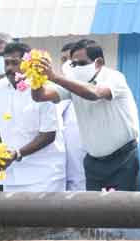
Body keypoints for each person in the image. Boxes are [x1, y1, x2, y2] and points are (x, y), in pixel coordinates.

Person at [31, 39, 140, 192]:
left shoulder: (114, 77)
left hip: (122, 159)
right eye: (74, 64)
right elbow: (40, 96)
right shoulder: (74, 83)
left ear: (99, 62)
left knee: (124, 211)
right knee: (94, 213)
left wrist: (54, 77)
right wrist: (36, 77)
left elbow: (94, 93)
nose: (77, 68)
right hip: (93, 162)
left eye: (82, 63)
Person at [0, 42, 65, 192]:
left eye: (15, 63)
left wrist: (17, 154)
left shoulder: (42, 88)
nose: (9, 68)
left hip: (44, 176)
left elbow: (49, 134)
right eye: (6, 63)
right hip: (10, 176)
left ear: (26, 64)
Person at [58, 41, 86, 191]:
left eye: (70, 61)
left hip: (82, 167)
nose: (66, 65)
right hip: (59, 170)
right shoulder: (55, 90)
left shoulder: (90, 91)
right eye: (63, 60)